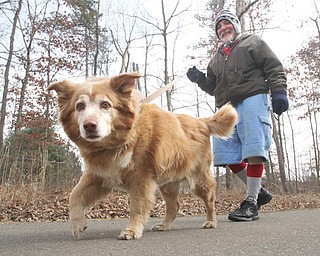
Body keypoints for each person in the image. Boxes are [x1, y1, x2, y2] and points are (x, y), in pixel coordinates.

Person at [187, 9, 289, 221]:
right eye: (219, 27)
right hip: (226, 107)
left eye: (227, 24)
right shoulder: (216, 58)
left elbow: (274, 67)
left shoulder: (252, 42)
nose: (223, 28)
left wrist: (279, 91)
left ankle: (251, 202)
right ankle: (259, 192)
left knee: (253, 148)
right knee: (226, 155)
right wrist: (199, 79)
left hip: (253, 97)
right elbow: (213, 87)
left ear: (235, 25)